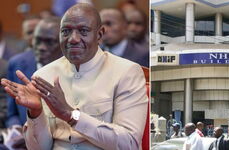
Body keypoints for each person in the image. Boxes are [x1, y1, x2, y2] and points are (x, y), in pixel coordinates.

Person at [1, 3, 148, 150]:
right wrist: (35, 113)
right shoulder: (43, 76)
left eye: (83, 31)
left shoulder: (126, 72)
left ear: (99, 34)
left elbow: (128, 144)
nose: (73, 39)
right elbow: (38, 148)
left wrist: (72, 116)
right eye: (66, 31)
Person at [6, 17, 62, 127]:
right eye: (38, 40)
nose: (41, 47)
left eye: (49, 42)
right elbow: (12, 114)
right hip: (24, 136)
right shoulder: (17, 63)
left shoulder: (73, 67)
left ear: (62, 43)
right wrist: (17, 128)